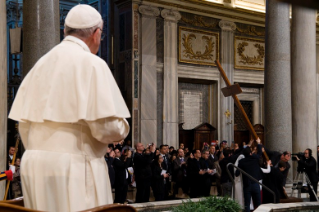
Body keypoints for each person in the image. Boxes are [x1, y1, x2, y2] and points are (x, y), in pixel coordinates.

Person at [8, 5, 130, 211]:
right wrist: (123, 128)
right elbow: (106, 128)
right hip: (74, 168)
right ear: (96, 33)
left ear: (65, 31)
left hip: (35, 167)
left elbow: (24, 124)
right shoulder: (92, 64)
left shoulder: (40, 64)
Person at [235, 139, 262, 212]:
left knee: (247, 204)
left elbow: (237, 174)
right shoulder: (255, 159)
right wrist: (259, 143)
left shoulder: (241, 161)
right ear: (250, 153)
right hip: (255, 183)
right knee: (258, 203)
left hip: (247, 185)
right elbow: (260, 153)